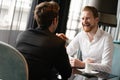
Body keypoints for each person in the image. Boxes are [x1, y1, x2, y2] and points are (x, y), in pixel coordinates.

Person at [15, 1, 72, 80]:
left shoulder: (22, 35)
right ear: (55, 20)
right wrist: (61, 44)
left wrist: (55, 40)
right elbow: (66, 73)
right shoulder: (57, 43)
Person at [66, 6, 114, 80]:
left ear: (96, 20)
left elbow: (107, 68)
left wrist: (84, 64)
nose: (84, 21)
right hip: (81, 76)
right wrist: (75, 62)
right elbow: (65, 53)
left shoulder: (107, 38)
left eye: (87, 18)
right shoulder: (80, 35)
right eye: (82, 18)